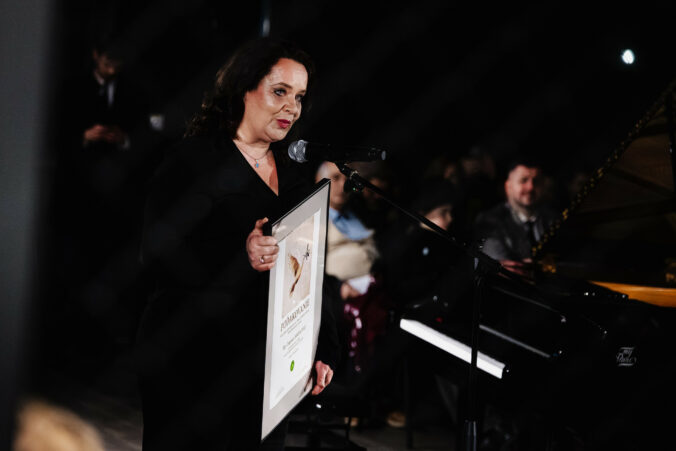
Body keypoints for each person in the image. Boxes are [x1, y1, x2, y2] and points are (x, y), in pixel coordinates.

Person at [134, 38, 339, 451]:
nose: (292, 107)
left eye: (299, 97)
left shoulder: (295, 175)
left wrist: (324, 347)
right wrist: (238, 251)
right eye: (279, 91)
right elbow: (157, 253)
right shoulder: (193, 159)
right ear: (244, 88)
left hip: (269, 368)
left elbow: (310, 267)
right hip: (191, 354)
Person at [473, 158, 558, 277]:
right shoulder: (490, 221)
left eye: (536, 181)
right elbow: (502, 270)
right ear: (508, 186)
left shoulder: (553, 219)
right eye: (523, 180)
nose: (530, 187)